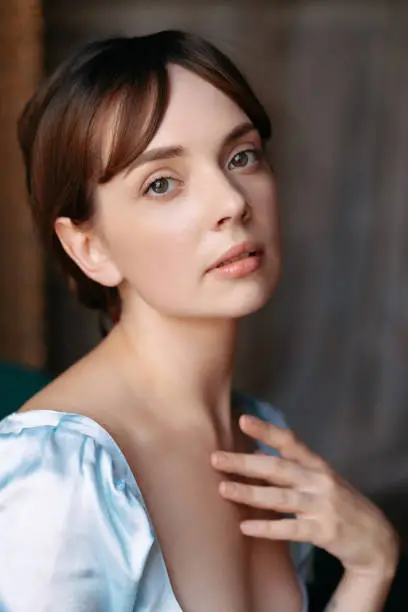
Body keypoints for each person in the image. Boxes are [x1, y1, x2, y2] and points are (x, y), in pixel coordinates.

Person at [0, 30, 398, 611]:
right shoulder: (57, 480)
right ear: (90, 249)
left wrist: (372, 566)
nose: (232, 201)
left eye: (242, 156)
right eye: (162, 183)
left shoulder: (265, 443)